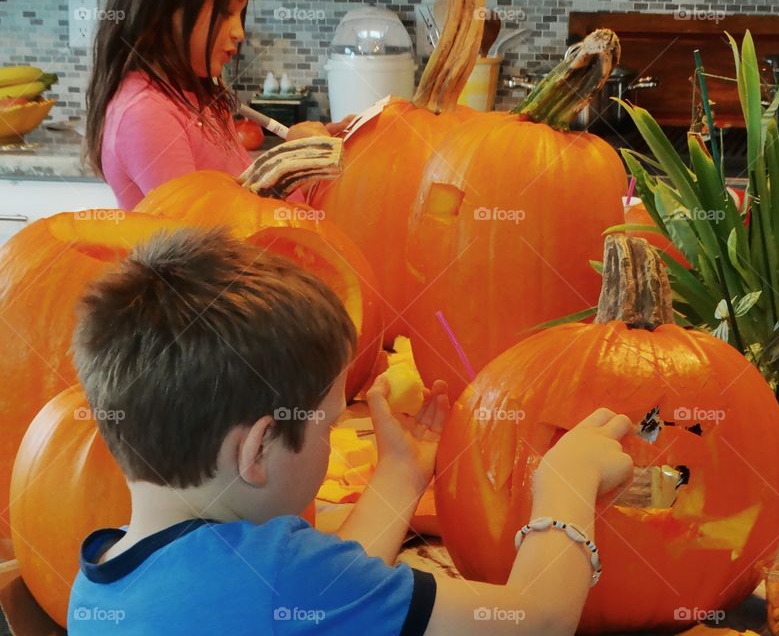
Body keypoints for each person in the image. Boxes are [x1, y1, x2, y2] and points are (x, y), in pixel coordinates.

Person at [67, 227, 635, 635]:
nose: (333, 441)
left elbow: (325, 592)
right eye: (331, 426)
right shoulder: (283, 578)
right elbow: (537, 618)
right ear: (259, 448)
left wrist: (401, 473)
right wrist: (567, 479)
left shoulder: (99, 585)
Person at [84, 0, 345, 210]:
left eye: (240, 13)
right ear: (162, 10)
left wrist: (308, 160)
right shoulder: (146, 115)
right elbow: (207, 239)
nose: (239, 32)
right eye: (225, 11)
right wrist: (289, 163)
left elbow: (243, 200)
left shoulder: (195, 99)